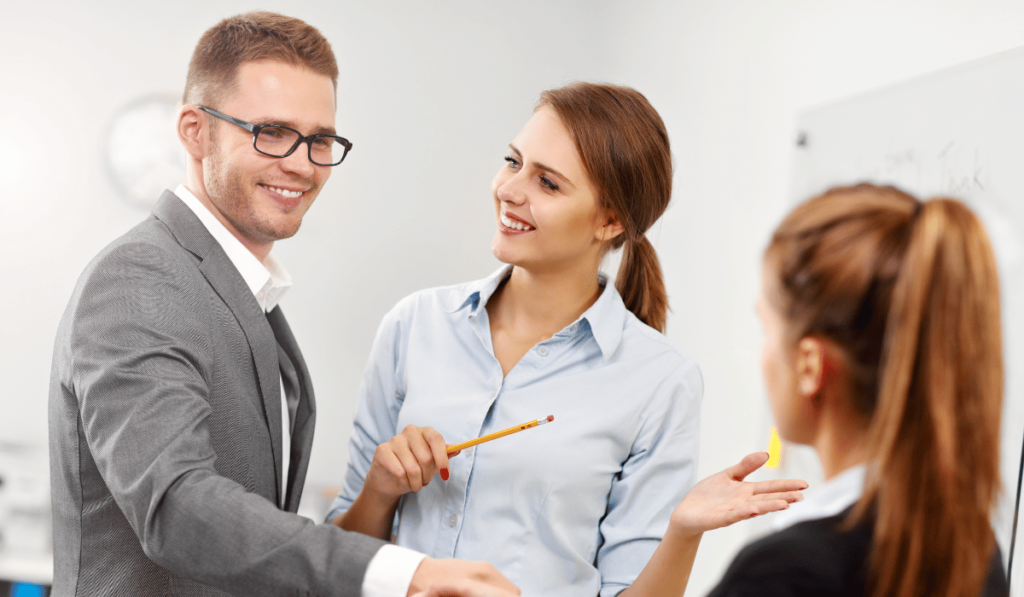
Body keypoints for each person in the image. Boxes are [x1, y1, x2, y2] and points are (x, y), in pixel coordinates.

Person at [48, 11, 515, 597]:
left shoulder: (243, 290)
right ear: (195, 130)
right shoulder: (140, 277)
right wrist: (405, 573)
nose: (301, 164)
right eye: (271, 131)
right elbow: (176, 505)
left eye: (320, 140)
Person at [403, 183, 1010, 597]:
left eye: (766, 326)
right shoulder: (970, 548)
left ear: (809, 365)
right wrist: (682, 532)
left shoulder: (784, 572)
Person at [327, 81, 706, 596]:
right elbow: (337, 562)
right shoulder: (414, 324)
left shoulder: (660, 381)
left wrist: (685, 532)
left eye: (548, 183)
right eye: (513, 161)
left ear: (609, 221)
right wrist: (379, 490)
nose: (509, 189)